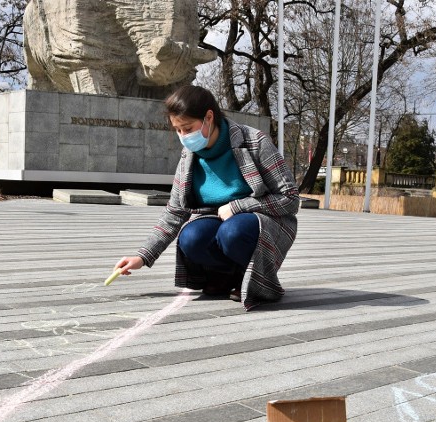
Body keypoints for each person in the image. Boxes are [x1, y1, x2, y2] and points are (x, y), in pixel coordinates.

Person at [113, 85, 301, 310]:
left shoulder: (254, 142)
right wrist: (142, 257)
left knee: (233, 231)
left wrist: (239, 206)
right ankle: (226, 275)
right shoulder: (188, 157)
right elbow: (174, 212)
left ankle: (259, 281)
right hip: (214, 220)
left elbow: (290, 197)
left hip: (262, 221)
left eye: (187, 128)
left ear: (209, 117)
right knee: (191, 238)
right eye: (177, 130)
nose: (183, 136)